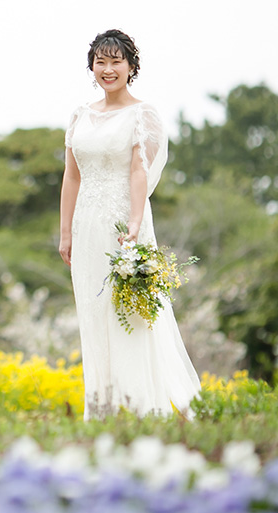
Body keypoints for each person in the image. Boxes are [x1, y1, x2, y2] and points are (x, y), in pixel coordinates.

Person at [58, 29, 200, 419]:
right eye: (100, 62)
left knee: (131, 315)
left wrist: (135, 223)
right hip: (86, 226)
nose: (108, 69)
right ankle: (102, 411)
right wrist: (65, 232)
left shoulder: (142, 114)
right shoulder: (79, 115)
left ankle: (142, 410)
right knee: (94, 313)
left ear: (131, 66)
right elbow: (71, 176)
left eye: (115, 61)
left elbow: (140, 171)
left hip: (124, 226)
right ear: (91, 68)